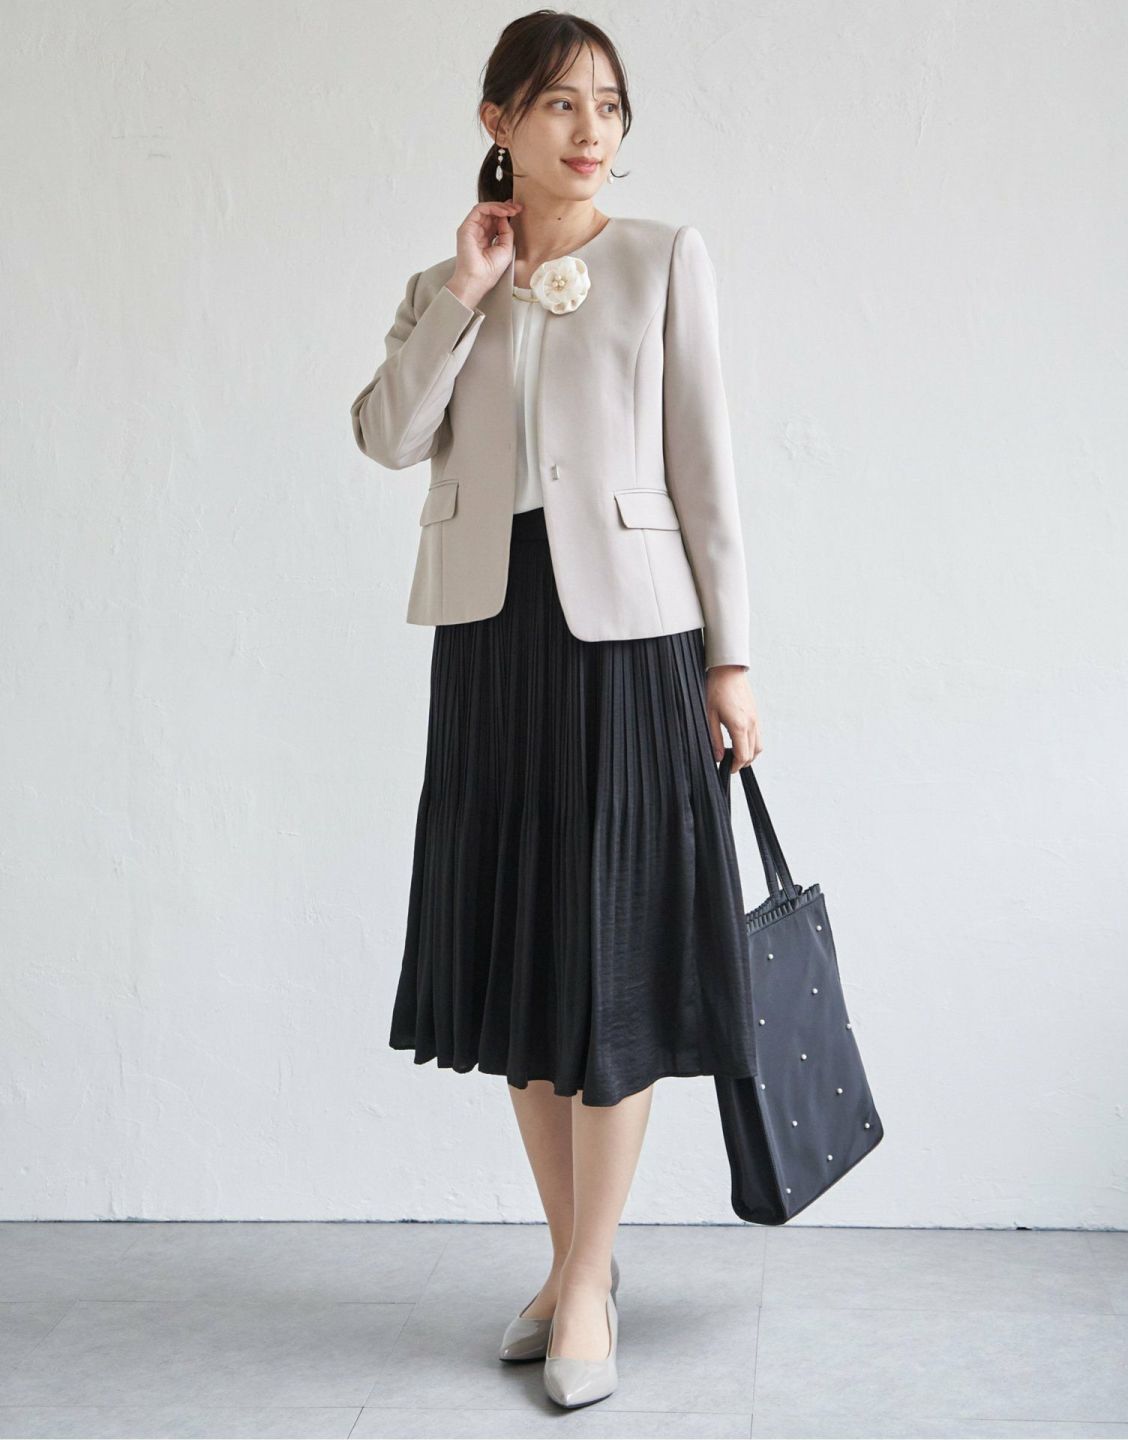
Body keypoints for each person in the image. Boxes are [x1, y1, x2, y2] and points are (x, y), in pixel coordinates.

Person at [349, 11, 763, 1409]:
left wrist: (732, 660)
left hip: (634, 639)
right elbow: (387, 436)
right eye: (560, 104)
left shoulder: (660, 260)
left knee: (614, 956)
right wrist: (469, 294)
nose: (592, 130)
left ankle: (586, 1281)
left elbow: (706, 469)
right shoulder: (443, 282)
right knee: (527, 953)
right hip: (491, 638)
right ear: (498, 123)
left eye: (609, 105)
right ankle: (572, 1258)